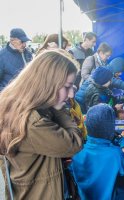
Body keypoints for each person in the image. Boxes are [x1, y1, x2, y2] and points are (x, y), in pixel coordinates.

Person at [0, 50, 83, 199]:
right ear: (47, 84)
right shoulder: (34, 123)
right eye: (67, 87)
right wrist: (60, 109)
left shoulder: (19, 107)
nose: (71, 94)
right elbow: (74, 143)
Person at [70, 104, 124, 200]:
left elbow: (72, 171)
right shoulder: (116, 154)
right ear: (111, 128)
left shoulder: (76, 152)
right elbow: (123, 170)